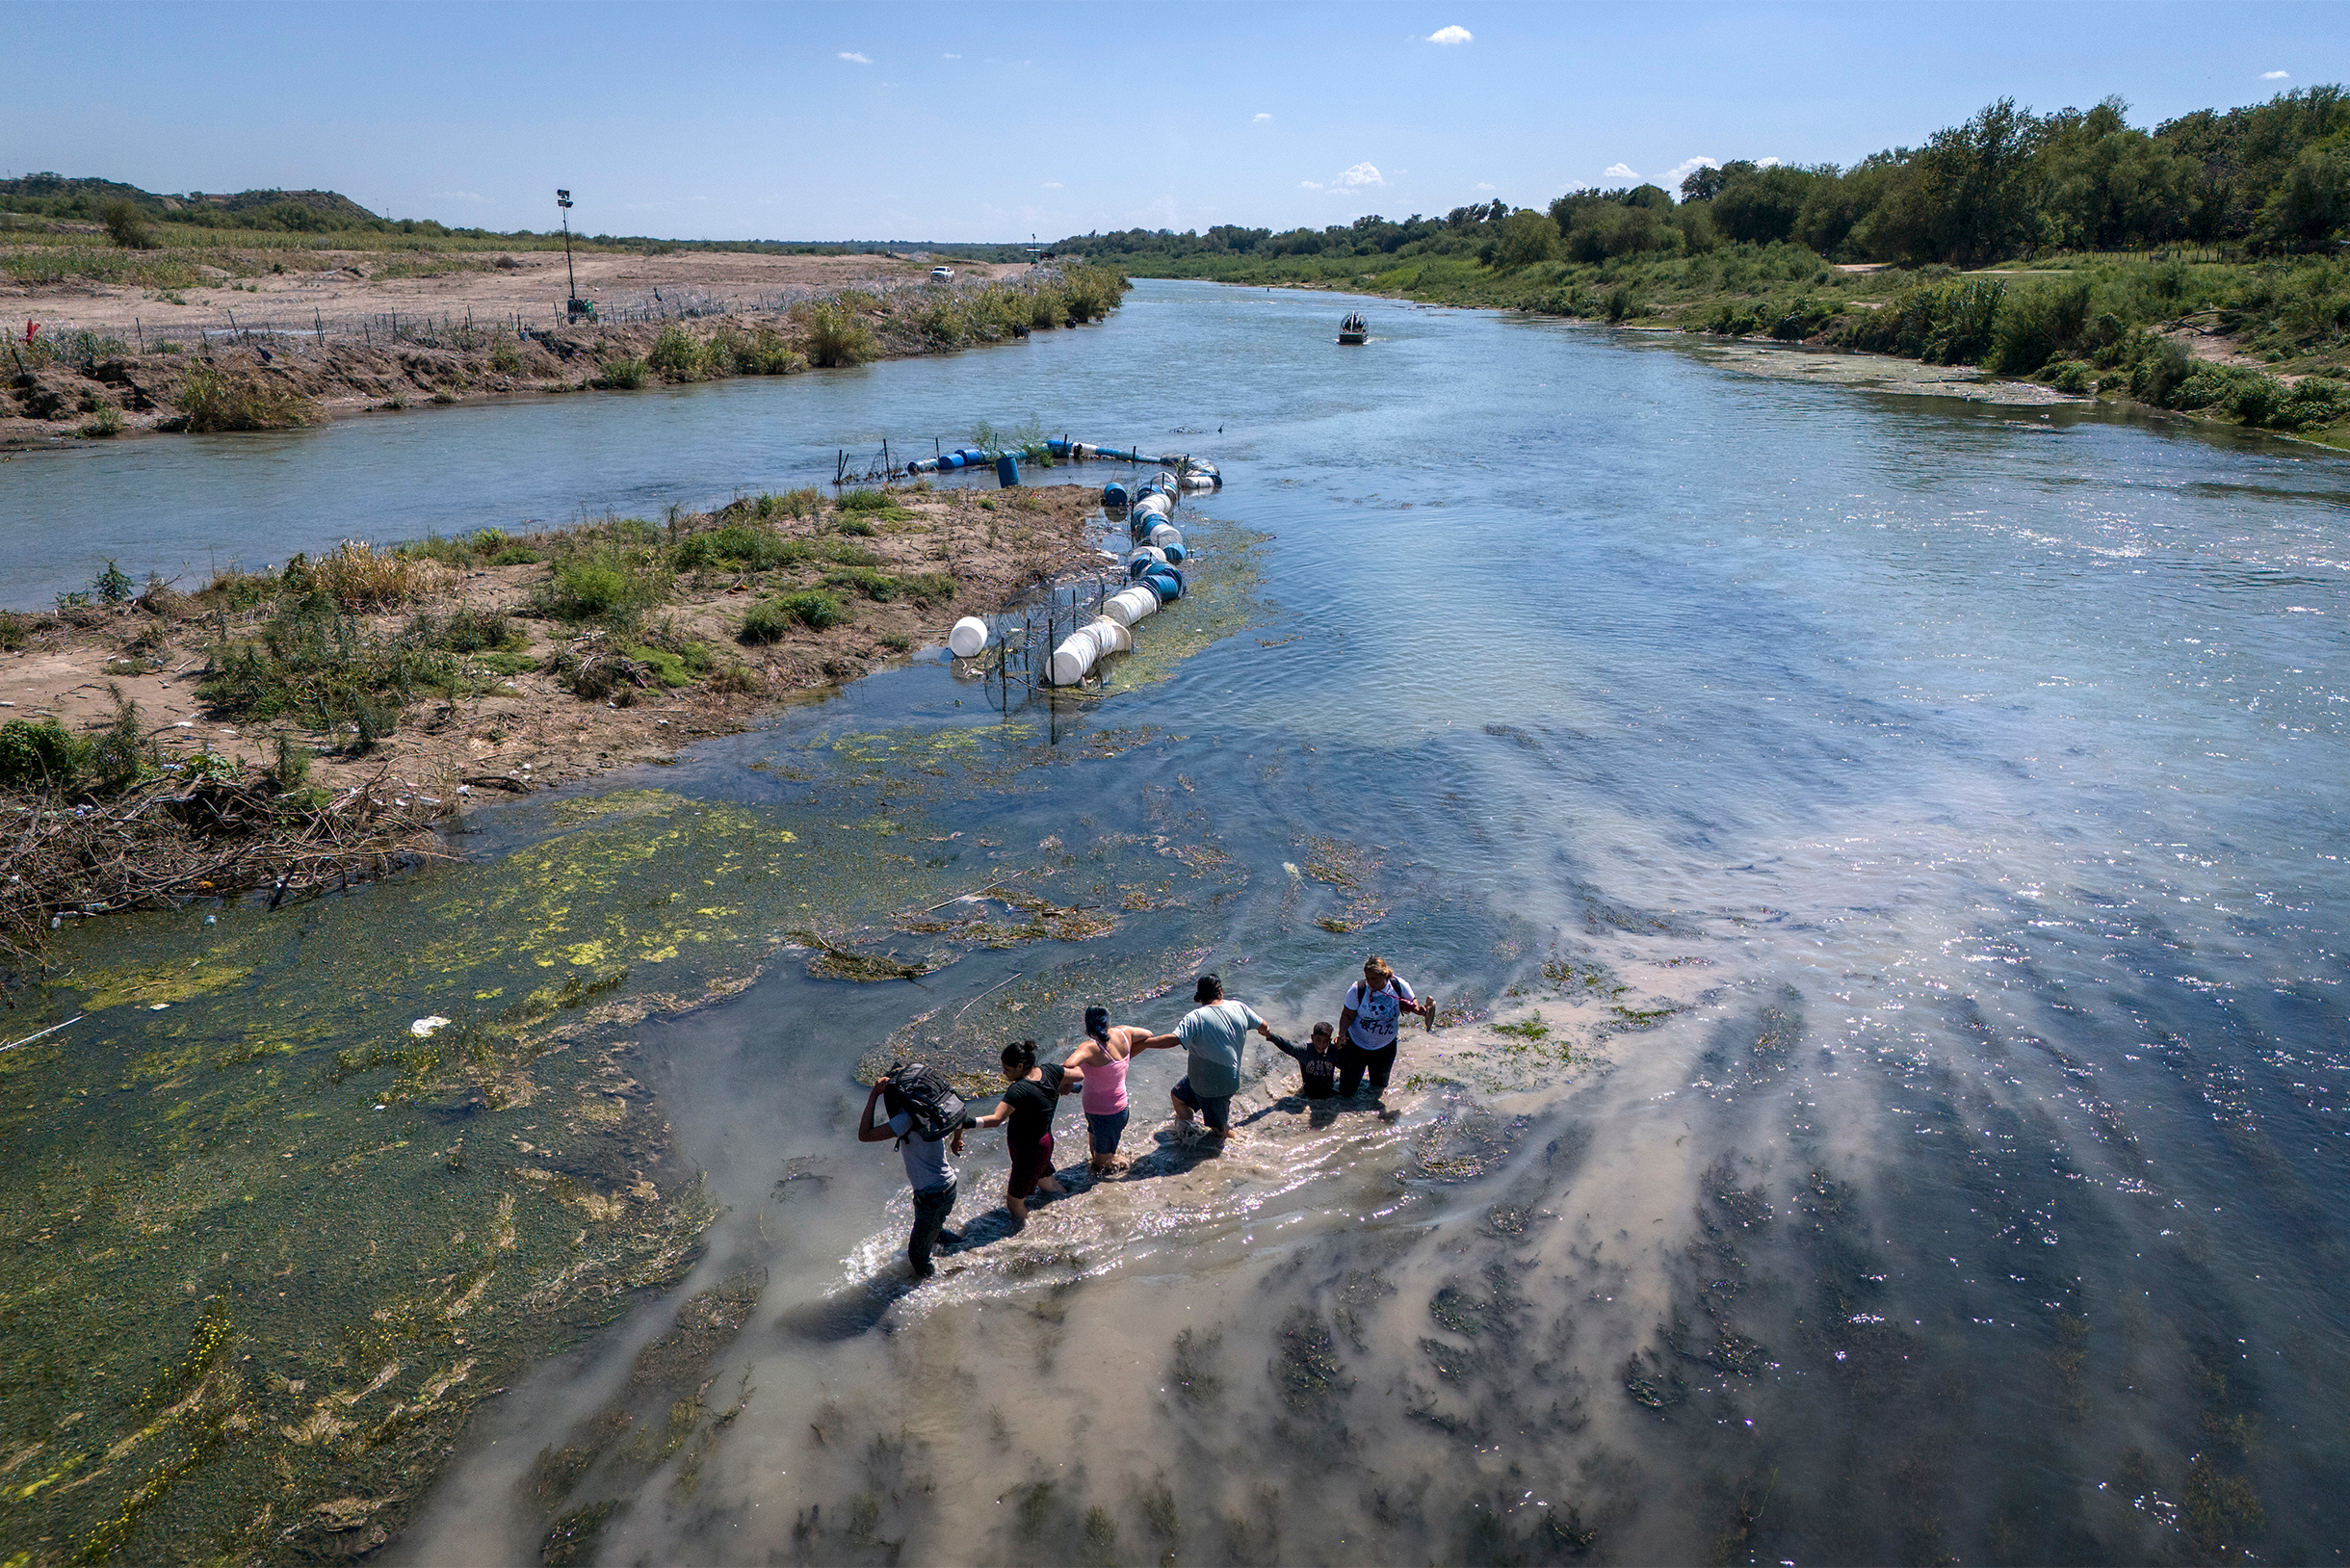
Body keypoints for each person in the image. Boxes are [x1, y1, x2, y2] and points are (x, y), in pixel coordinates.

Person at [855, 1071, 969, 1280]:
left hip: (933, 1195)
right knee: (935, 1232)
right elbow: (959, 1111)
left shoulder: (906, 1119)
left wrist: (873, 1095)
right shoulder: (930, 1108)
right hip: (944, 1187)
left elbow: (864, 1135)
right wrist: (956, 1139)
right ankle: (966, 1248)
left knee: (917, 1256)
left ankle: (936, 1286)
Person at [970, 1039, 1083, 1223]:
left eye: (1007, 1069)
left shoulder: (1018, 1090)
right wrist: (1062, 1082)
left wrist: (964, 1122)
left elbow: (997, 1119)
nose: (1004, 1073)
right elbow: (1079, 1074)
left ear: (1020, 1065)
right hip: (1043, 1143)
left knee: (1014, 1204)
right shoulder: (1050, 1071)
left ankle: (1027, 1230)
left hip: (1028, 1152)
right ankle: (1069, 1199)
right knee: (1046, 1182)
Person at [1162, 973, 1269, 1141]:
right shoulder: (1239, 1007)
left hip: (1211, 1084)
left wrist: (1145, 1043)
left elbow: (1174, 1040)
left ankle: (1243, 1144)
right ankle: (1189, 1132)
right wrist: (1267, 1033)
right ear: (1220, 991)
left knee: (1219, 1129)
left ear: (1200, 997)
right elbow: (1263, 1025)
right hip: (1210, 1079)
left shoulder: (1195, 1017)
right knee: (1178, 1096)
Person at [1063, 1005, 1168, 1175]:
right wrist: (1128, 1055)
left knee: (1100, 1162)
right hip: (1113, 1110)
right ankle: (1113, 1159)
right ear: (1107, 1020)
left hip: (1106, 1114)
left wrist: (1066, 1085)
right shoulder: (1124, 1033)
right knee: (1094, 1154)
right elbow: (1148, 1034)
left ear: (1087, 1025)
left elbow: (1068, 1065)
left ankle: (1132, 1166)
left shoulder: (1090, 1047)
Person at [1337, 955, 1433, 1111]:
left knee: (1378, 1087)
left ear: (1383, 975)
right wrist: (1341, 1034)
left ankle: (1371, 1117)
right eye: (1367, 978)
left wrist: (1418, 1010)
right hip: (1356, 1045)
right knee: (1346, 1092)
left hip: (1385, 1047)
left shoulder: (1398, 986)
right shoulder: (1358, 990)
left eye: (1373, 978)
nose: (1369, 982)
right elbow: (1347, 1015)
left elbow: (1413, 1001)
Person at [1268, 1020, 1342, 1101]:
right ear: (1312, 1038)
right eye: (1318, 1040)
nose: (1321, 1045)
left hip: (1329, 1092)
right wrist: (1270, 1035)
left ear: (1330, 1040)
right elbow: (1287, 1046)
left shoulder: (1334, 1052)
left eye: (1325, 1041)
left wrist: (1342, 1044)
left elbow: (1348, 1064)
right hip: (1308, 1092)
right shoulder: (1304, 1051)